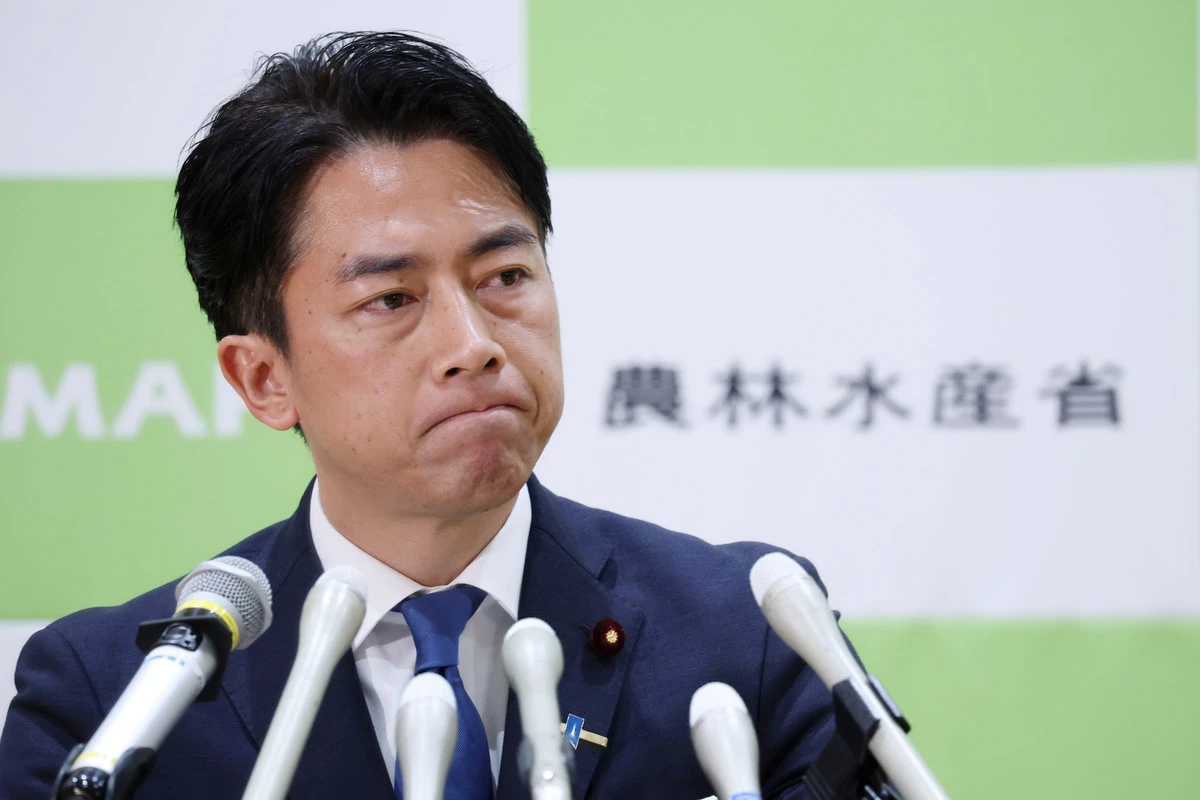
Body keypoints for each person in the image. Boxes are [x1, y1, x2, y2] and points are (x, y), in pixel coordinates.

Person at [0, 32, 841, 799]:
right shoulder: (113, 703)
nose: (473, 345)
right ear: (263, 378)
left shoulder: (751, 632)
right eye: (392, 298)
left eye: (505, 278)